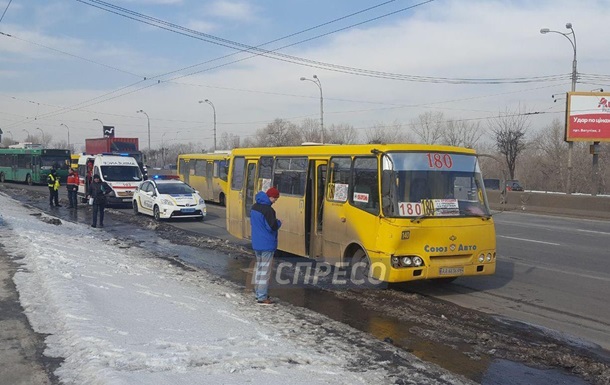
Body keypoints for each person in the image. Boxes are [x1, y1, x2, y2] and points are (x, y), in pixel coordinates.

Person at [250, 187, 282, 305]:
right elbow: (272, 227)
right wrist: (279, 222)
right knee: (265, 271)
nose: (275, 201)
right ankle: (262, 297)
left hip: (257, 243)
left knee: (259, 269)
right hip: (267, 244)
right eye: (275, 199)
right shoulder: (268, 210)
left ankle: (259, 292)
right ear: (271, 197)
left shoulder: (254, 207)